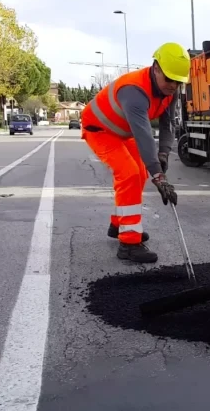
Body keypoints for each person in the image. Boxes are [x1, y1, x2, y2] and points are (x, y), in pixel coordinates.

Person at [81, 42, 190, 264]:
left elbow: (168, 125)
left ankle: (119, 224)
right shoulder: (134, 90)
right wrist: (159, 176)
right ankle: (129, 244)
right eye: (169, 79)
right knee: (129, 173)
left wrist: (163, 155)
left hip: (122, 130)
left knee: (139, 173)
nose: (173, 85)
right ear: (156, 68)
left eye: (178, 82)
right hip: (100, 129)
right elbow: (144, 135)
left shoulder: (171, 92)